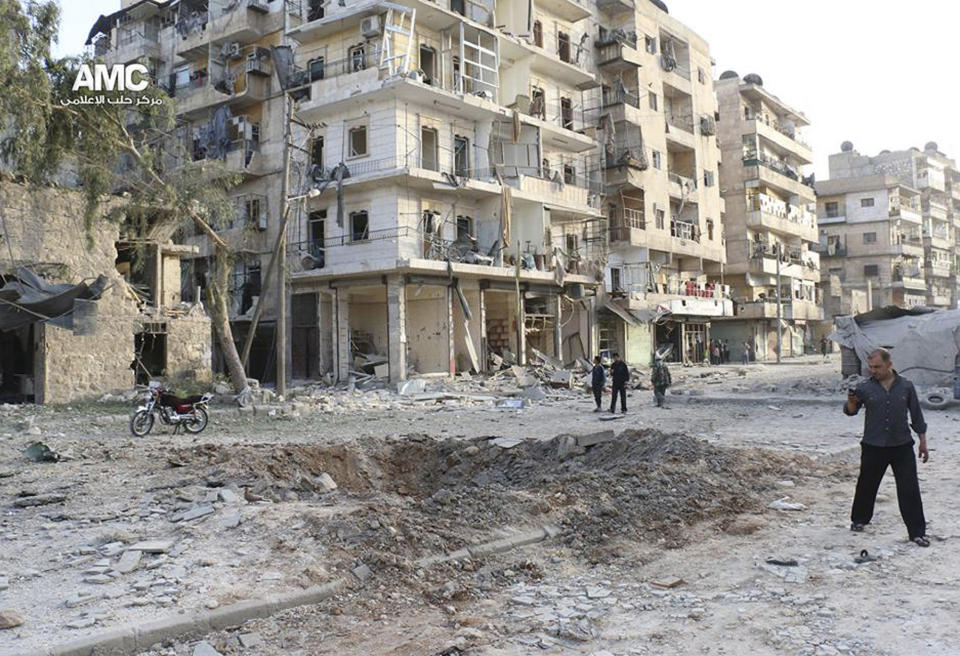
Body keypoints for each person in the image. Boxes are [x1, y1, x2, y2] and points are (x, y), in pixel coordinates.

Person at [844, 348, 930, 547]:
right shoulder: (864, 387)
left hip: (902, 446)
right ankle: (859, 520)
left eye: (877, 367)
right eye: (871, 367)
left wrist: (923, 442)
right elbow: (851, 412)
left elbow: (917, 416)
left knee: (909, 489)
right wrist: (850, 402)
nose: (873, 370)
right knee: (866, 484)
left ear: (889, 365)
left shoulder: (906, 386)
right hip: (873, 445)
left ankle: (917, 532)